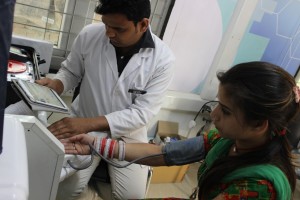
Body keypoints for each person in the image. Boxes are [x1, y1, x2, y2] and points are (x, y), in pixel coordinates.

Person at [63, 61, 300, 199]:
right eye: (218, 104)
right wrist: (97, 145)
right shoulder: (226, 139)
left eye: (226, 111)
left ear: (259, 124)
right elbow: (166, 154)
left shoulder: (258, 186)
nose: (214, 115)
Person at [35, 0, 175, 199]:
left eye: (119, 28)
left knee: (131, 196)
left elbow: (142, 113)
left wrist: (86, 124)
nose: (109, 33)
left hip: (127, 134)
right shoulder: (90, 35)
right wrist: (57, 84)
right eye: (106, 25)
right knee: (63, 189)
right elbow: (70, 71)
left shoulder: (163, 59)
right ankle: (90, 186)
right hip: (84, 123)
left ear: (143, 25)